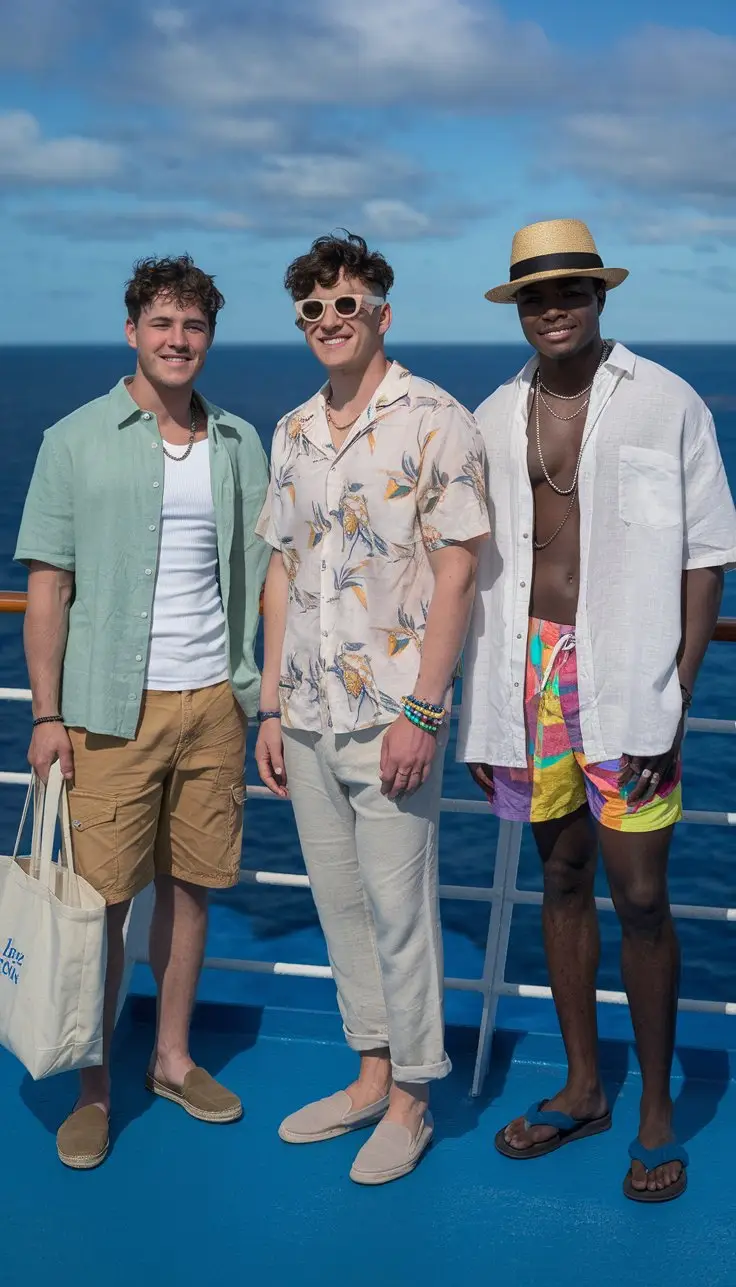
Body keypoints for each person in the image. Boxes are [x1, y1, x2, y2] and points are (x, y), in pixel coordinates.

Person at [458, 218, 736, 1203]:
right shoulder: (490, 415)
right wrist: (469, 713)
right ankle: (583, 1086)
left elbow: (707, 554)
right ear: (519, 309)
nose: (554, 306)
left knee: (645, 895)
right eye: (535, 294)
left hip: (630, 677)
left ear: (599, 294)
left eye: (569, 288)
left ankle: (655, 1103)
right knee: (560, 875)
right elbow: (460, 562)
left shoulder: (666, 402)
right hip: (524, 675)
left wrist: (676, 687)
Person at [15, 255, 270, 1169]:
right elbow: (49, 587)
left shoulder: (239, 442)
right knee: (103, 907)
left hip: (213, 704)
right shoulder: (74, 439)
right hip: (107, 713)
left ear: (209, 336)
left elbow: (263, 579)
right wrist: (46, 716)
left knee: (193, 888)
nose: (177, 340)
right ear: (132, 331)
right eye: (161, 323)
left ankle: (170, 1057)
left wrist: (264, 700)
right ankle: (93, 1085)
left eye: (194, 325)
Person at [255, 232, 489, 1185]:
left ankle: (412, 1101)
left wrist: (424, 713)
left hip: (393, 711)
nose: (327, 322)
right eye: (312, 309)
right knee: (341, 905)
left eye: (344, 304)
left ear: (381, 313)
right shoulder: (292, 431)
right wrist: (269, 705)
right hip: (307, 712)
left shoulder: (437, 419)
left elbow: (459, 573)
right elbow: (281, 569)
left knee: (401, 909)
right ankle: (368, 1073)